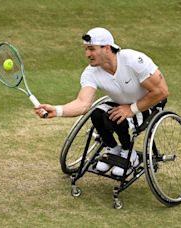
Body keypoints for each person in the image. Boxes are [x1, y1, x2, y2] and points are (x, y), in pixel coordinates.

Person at [35, 27, 169, 176]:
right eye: (86, 49)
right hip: (121, 102)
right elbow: (83, 103)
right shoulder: (91, 73)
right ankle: (113, 149)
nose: (87, 54)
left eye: (91, 49)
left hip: (151, 103)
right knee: (97, 113)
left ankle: (129, 154)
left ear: (106, 48)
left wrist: (132, 109)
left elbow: (161, 92)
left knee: (116, 115)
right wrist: (57, 110)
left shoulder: (133, 60)